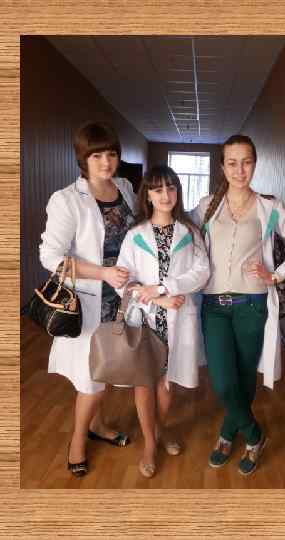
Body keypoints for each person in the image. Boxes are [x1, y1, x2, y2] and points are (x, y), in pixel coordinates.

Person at [192, 134, 285, 475]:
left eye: (246, 162)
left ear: (255, 164)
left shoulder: (269, 208)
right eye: (232, 163)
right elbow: (181, 237)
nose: (239, 170)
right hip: (214, 306)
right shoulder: (206, 207)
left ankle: (226, 433)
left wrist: (277, 275)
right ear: (222, 167)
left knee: (245, 377)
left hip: (252, 304)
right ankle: (254, 434)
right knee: (222, 380)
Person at [39, 121, 136, 477]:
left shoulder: (125, 188)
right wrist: (103, 273)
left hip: (124, 299)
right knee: (90, 379)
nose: (106, 162)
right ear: (83, 158)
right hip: (92, 298)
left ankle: (98, 424)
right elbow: (50, 257)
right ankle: (78, 441)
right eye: (96, 156)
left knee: (106, 370)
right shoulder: (66, 200)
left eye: (111, 154)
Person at [115, 165, 210, 478]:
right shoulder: (135, 235)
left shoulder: (190, 232)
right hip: (144, 320)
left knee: (167, 382)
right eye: (158, 189)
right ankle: (149, 444)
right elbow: (122, 283)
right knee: (145, 381)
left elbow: (201, 272)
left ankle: (158, 429)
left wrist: (164, 289)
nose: (165, 195)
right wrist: (158, 300)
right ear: (148, 195)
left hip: (178, 319)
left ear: (177, 192)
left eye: (171, 188)